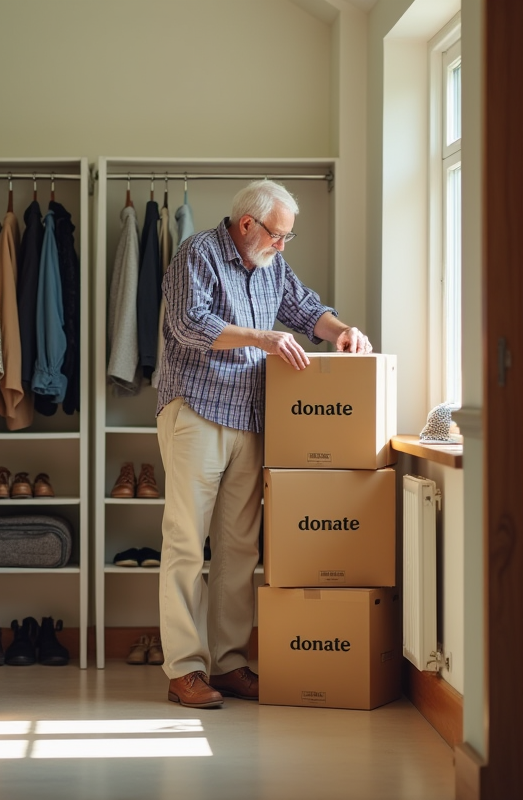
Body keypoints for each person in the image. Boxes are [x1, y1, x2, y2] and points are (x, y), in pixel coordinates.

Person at [154, 179, 373, 708]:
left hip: (249, 417)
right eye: (278, 235)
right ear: (247, 224)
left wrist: (342, 330)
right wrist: (262, 337)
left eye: (288, 238)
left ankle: (228, 663)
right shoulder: (198, 253)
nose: (283, 245)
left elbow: (305, 309)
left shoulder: (273, 264)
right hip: (198, 409)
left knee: (238, 547)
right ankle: (184, 668)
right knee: (187, 541)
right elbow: (189, 323)